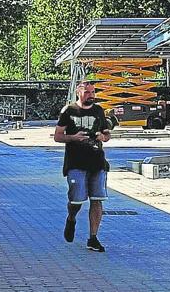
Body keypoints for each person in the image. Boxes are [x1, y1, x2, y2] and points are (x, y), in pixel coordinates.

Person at [54, 81, 112, 252]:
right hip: (75, 163)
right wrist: (73, 137)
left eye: (93, 92)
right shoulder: (69, 111)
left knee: (97, 200)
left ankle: (93, 238)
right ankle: (71, 218)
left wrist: (103, 137)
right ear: (78, 93)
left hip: (97, 162)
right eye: (87, 92)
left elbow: (107, 134)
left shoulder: (98, 110)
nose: (91, 95)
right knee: (77, 199)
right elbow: (57, 136)